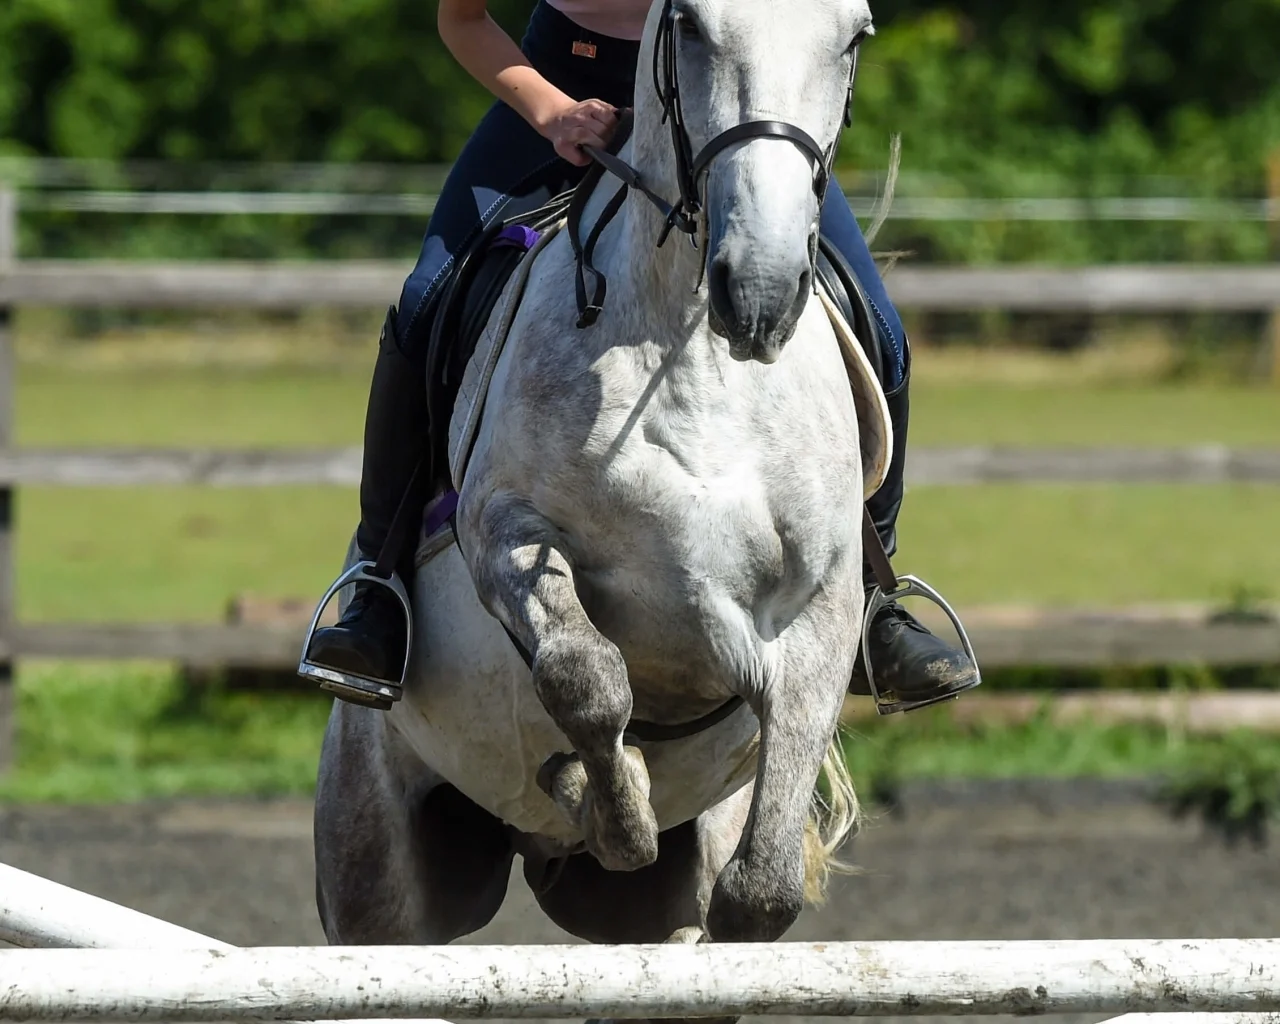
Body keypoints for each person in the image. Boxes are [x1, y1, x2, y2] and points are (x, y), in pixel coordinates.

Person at [304, 0, 978, 709]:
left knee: (882, 329)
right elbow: (462, 18)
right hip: (565, 86)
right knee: (425, 300)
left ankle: (877, 599)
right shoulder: (554, 95)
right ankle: (379, 586)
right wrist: (553, 110)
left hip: (729, 101)